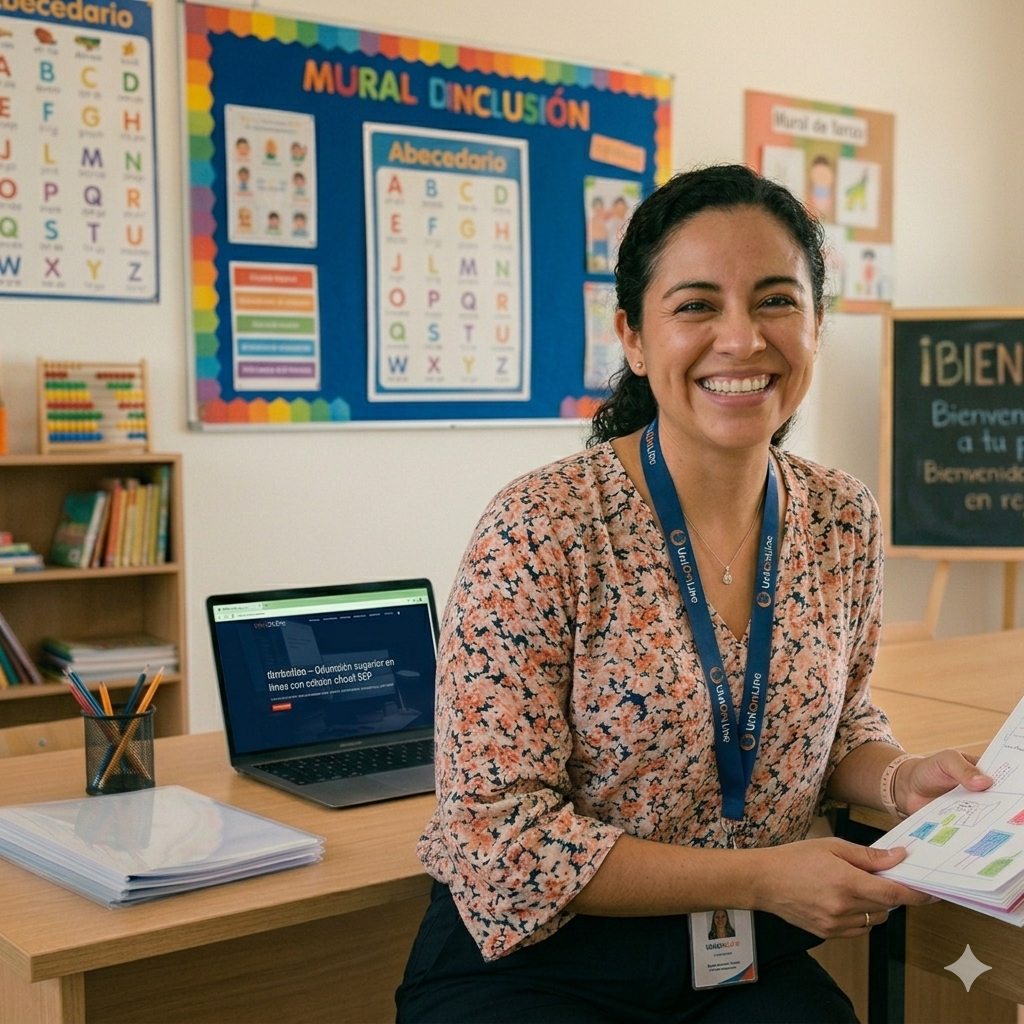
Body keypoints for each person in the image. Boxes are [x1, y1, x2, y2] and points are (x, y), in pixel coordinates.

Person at [395, 165, 992, 1024]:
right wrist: (761, 875)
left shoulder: (842, 517)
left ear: (817, 325)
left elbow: (837, 725)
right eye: (698, 305)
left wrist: (897, 781)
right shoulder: (541, 526)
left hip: (741, 956)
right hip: (539, 960)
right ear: (634, 339)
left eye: (777, 300)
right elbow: (502, 841)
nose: (743, 339)